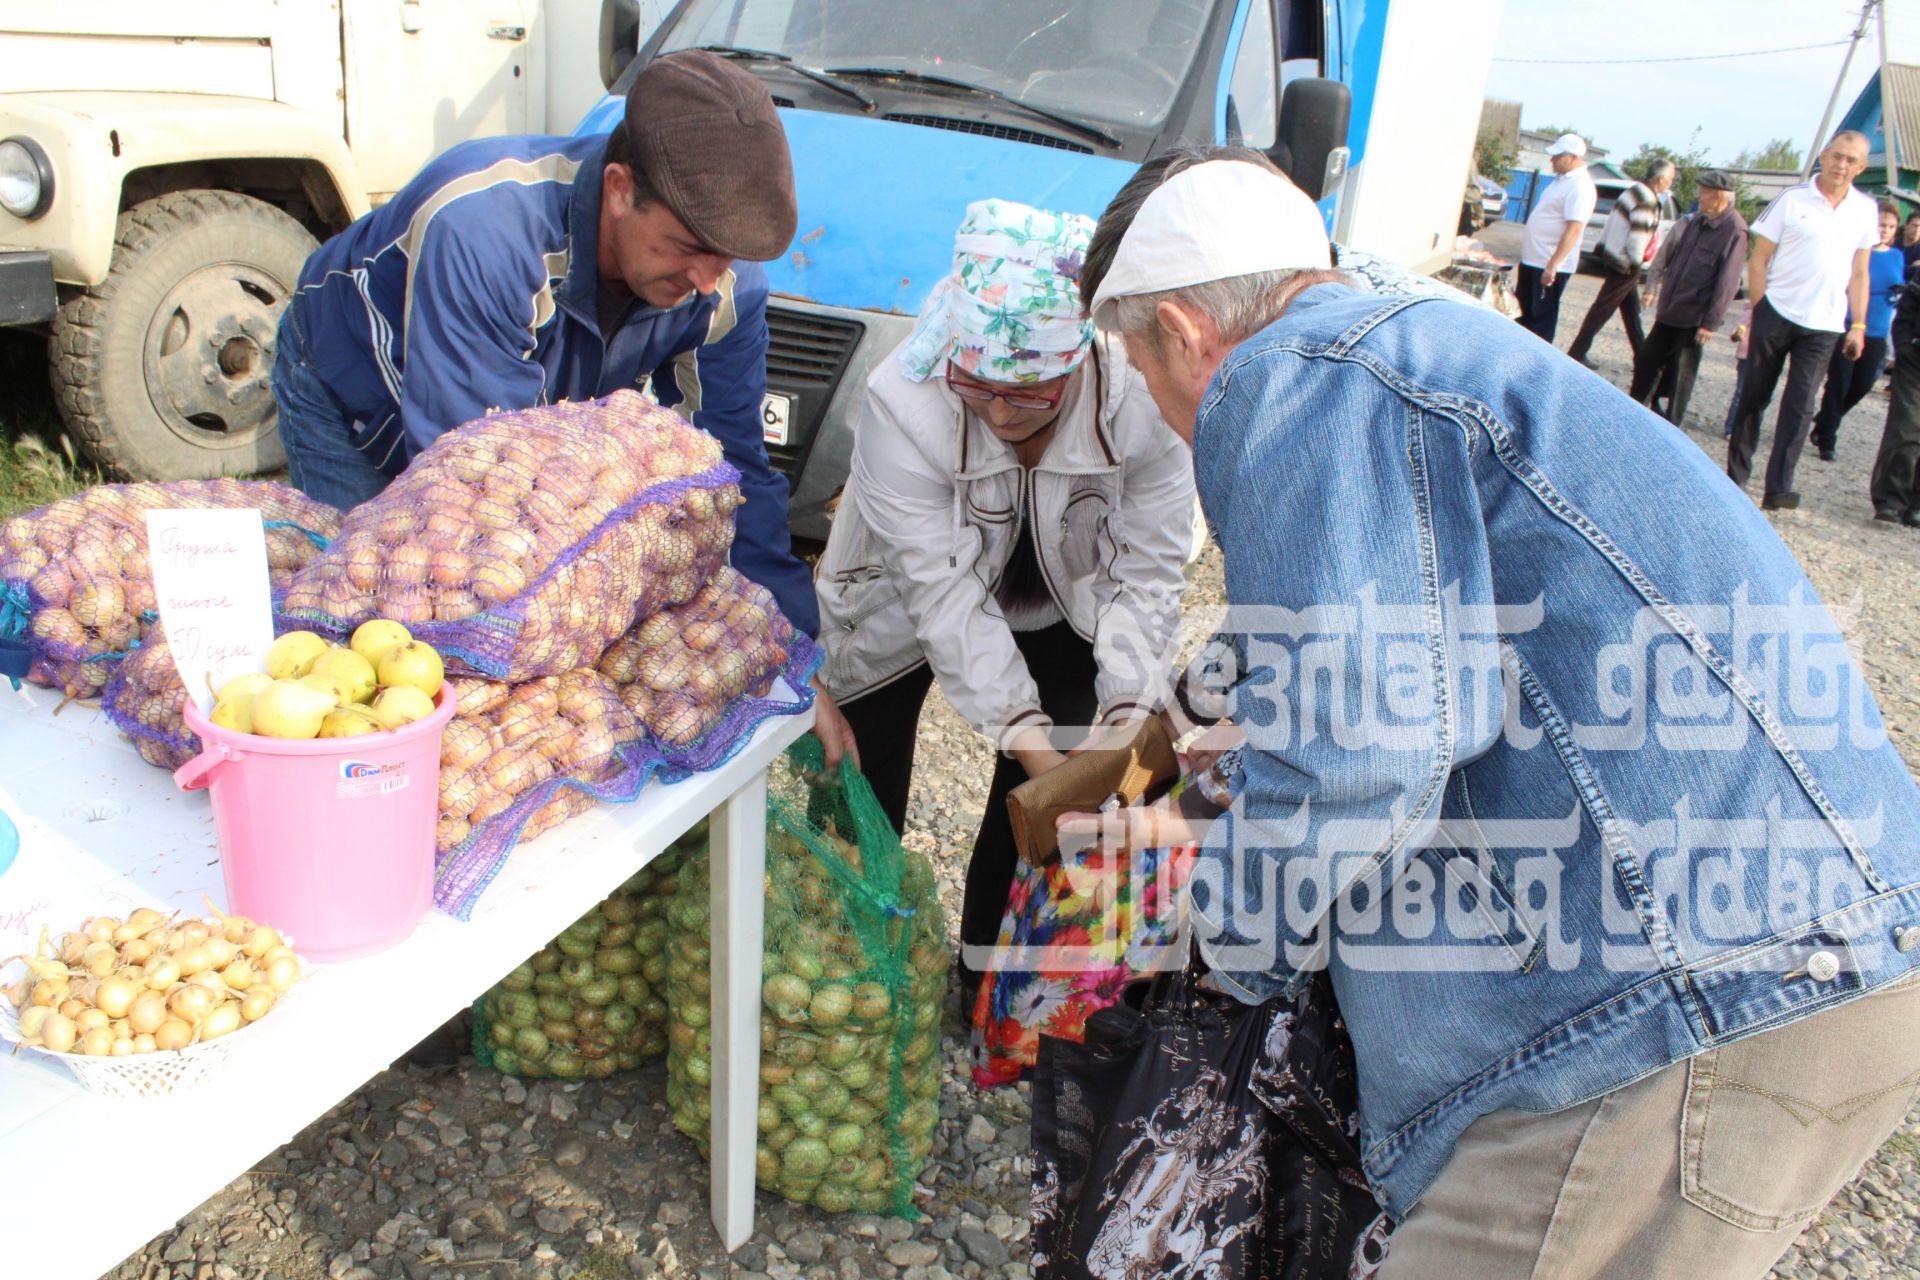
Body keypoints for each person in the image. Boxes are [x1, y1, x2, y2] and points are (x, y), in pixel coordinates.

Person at [1072, 150, 1920, 1280]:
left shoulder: (1292, 371)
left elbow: (1363, 741)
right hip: (1805, 955)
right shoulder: (1430, 347)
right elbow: (1379, 632)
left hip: (1668, 1013)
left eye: (1140, 364)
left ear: (1185, 330)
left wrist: (1224, 937)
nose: (1171, 416)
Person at [271, 49, 857, 759]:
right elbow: (480, 498)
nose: (707, 279)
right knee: (384, 606)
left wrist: (789, 654)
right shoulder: (484, 232)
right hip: (353, 383)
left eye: (726, 257)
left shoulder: (722, 285)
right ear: (618, 187)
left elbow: (736, 479)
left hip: (515, 407)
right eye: (688, 247)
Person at [812, 198, 1195, 1003]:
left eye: (1028, 396)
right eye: (975, 387)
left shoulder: (1142, 396)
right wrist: (1041, 758)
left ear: (1082, 357)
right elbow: (943, 597)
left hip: (1065, 598)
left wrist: (1119, 732)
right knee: (862, 780)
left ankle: (988, 981)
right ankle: (851, 979)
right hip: (896, 600)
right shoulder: (901, 400)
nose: (996, 412)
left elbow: (1147, 572)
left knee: (1036, 804)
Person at [1725, 131, 1878, 509]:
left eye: (1850, 160)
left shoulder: (1864, 210)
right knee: (1755, 396)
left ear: (1861, 167)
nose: (1841, 165)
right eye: (1836, 156)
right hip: (1777, 311)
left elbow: (1861, 272)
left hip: (1825, 323)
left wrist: (1858, 324)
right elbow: (1759, 258)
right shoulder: (1791, 199)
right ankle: (1735, 478)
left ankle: (1778, 488)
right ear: (1823, 156)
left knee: (1800, 404)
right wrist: (1759, 308)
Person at [1629, 169, 1747, 424]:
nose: (1698, 196)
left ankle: (1673, 425)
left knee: (1682, 374)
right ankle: (1633, 413)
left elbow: (1727, 282)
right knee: (1648, 361)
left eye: (1703, 191)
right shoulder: (1696, 221)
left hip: (1695, 316)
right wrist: (1655, 289)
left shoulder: (1734, 230)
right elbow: (1673, 258)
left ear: (1718, 196)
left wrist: (1710, 322)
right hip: (1672, 309)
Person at [1810, 201, 1904, 460]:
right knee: (1839, 382)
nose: (1884, 230)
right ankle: (1827, 438)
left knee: (1863, 384)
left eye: (1890, 226)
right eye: (1881, 224)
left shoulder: (1896, 256)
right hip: (1849, 325)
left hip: (1878, 330)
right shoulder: (1857, 252)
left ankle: (1825, 419)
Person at [1566, 158, 1675, 368]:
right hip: (1625, 264)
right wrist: (1638, 263)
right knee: (1601, 311)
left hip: (1613, 256)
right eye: (1669, 179)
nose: (1669, 184)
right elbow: (1638, 237)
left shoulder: (1633, 191)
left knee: (1631, 312)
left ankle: (1642, 356)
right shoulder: (1647, 200)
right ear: (1660, 178)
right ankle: (1575, 353)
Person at [1515, 134, 1597, 344]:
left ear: (1572, 157)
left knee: (1540, 322)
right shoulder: (1560, 182)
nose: (1552, 160)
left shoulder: (1580, 186)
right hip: (1534, 260)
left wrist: (1553, 264)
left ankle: (1535, 368)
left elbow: (1574, 229)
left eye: (1557, 156)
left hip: (1548, 265)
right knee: (1523, 316)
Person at [1870, 257, 1920, 525]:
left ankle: (1915, 501)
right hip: (1915, 362)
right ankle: (1890, 498)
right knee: (1906, 428)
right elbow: (1905, 315)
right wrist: (1906, 348)